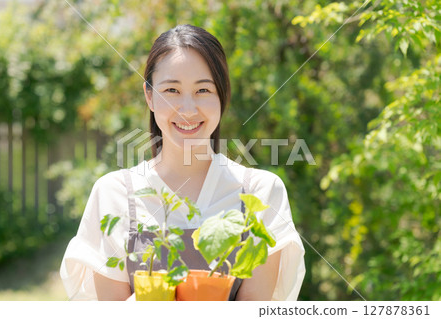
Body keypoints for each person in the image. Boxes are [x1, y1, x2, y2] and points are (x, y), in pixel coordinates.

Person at [60, 24, 305, 301]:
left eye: (203, 90)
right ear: (149, 96)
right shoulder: (113, 194)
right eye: (172, 91)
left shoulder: (260, 193)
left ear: (222, 96)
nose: (187, 109)